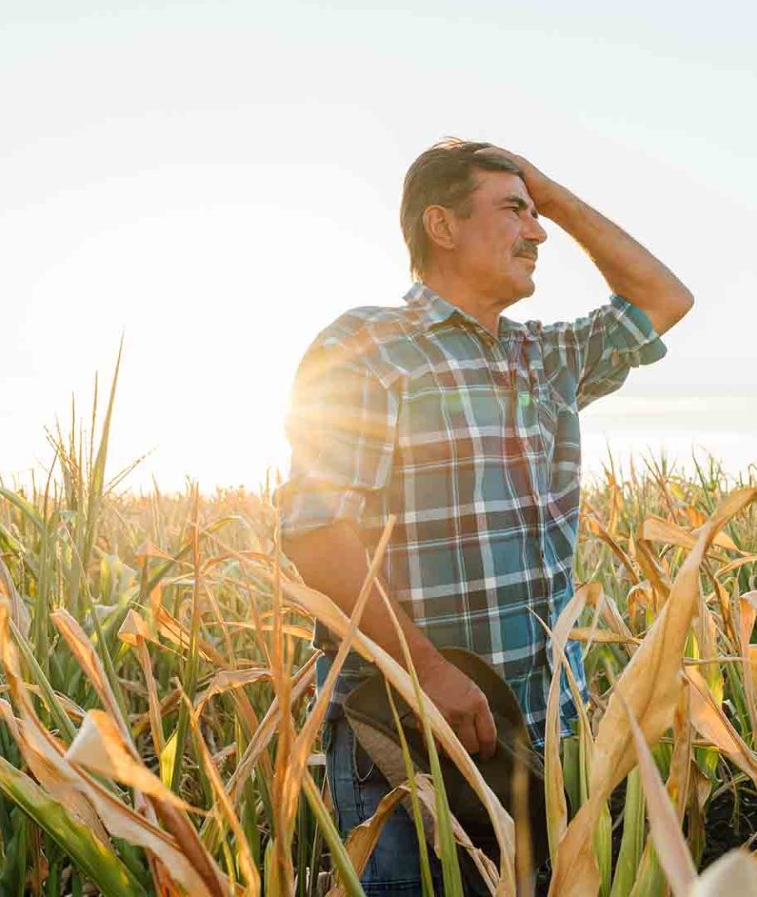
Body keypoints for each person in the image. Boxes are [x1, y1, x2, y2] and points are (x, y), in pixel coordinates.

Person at [278, 139, 693, 895]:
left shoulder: (547, 357)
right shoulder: (368, 347)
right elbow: (315, 532)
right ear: (441, 226)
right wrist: (426, 672)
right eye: (512, 212)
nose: (536, 234)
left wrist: (553, 196)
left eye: (537, 217)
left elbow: (664, 298)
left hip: (538, 744)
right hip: (407, 746)